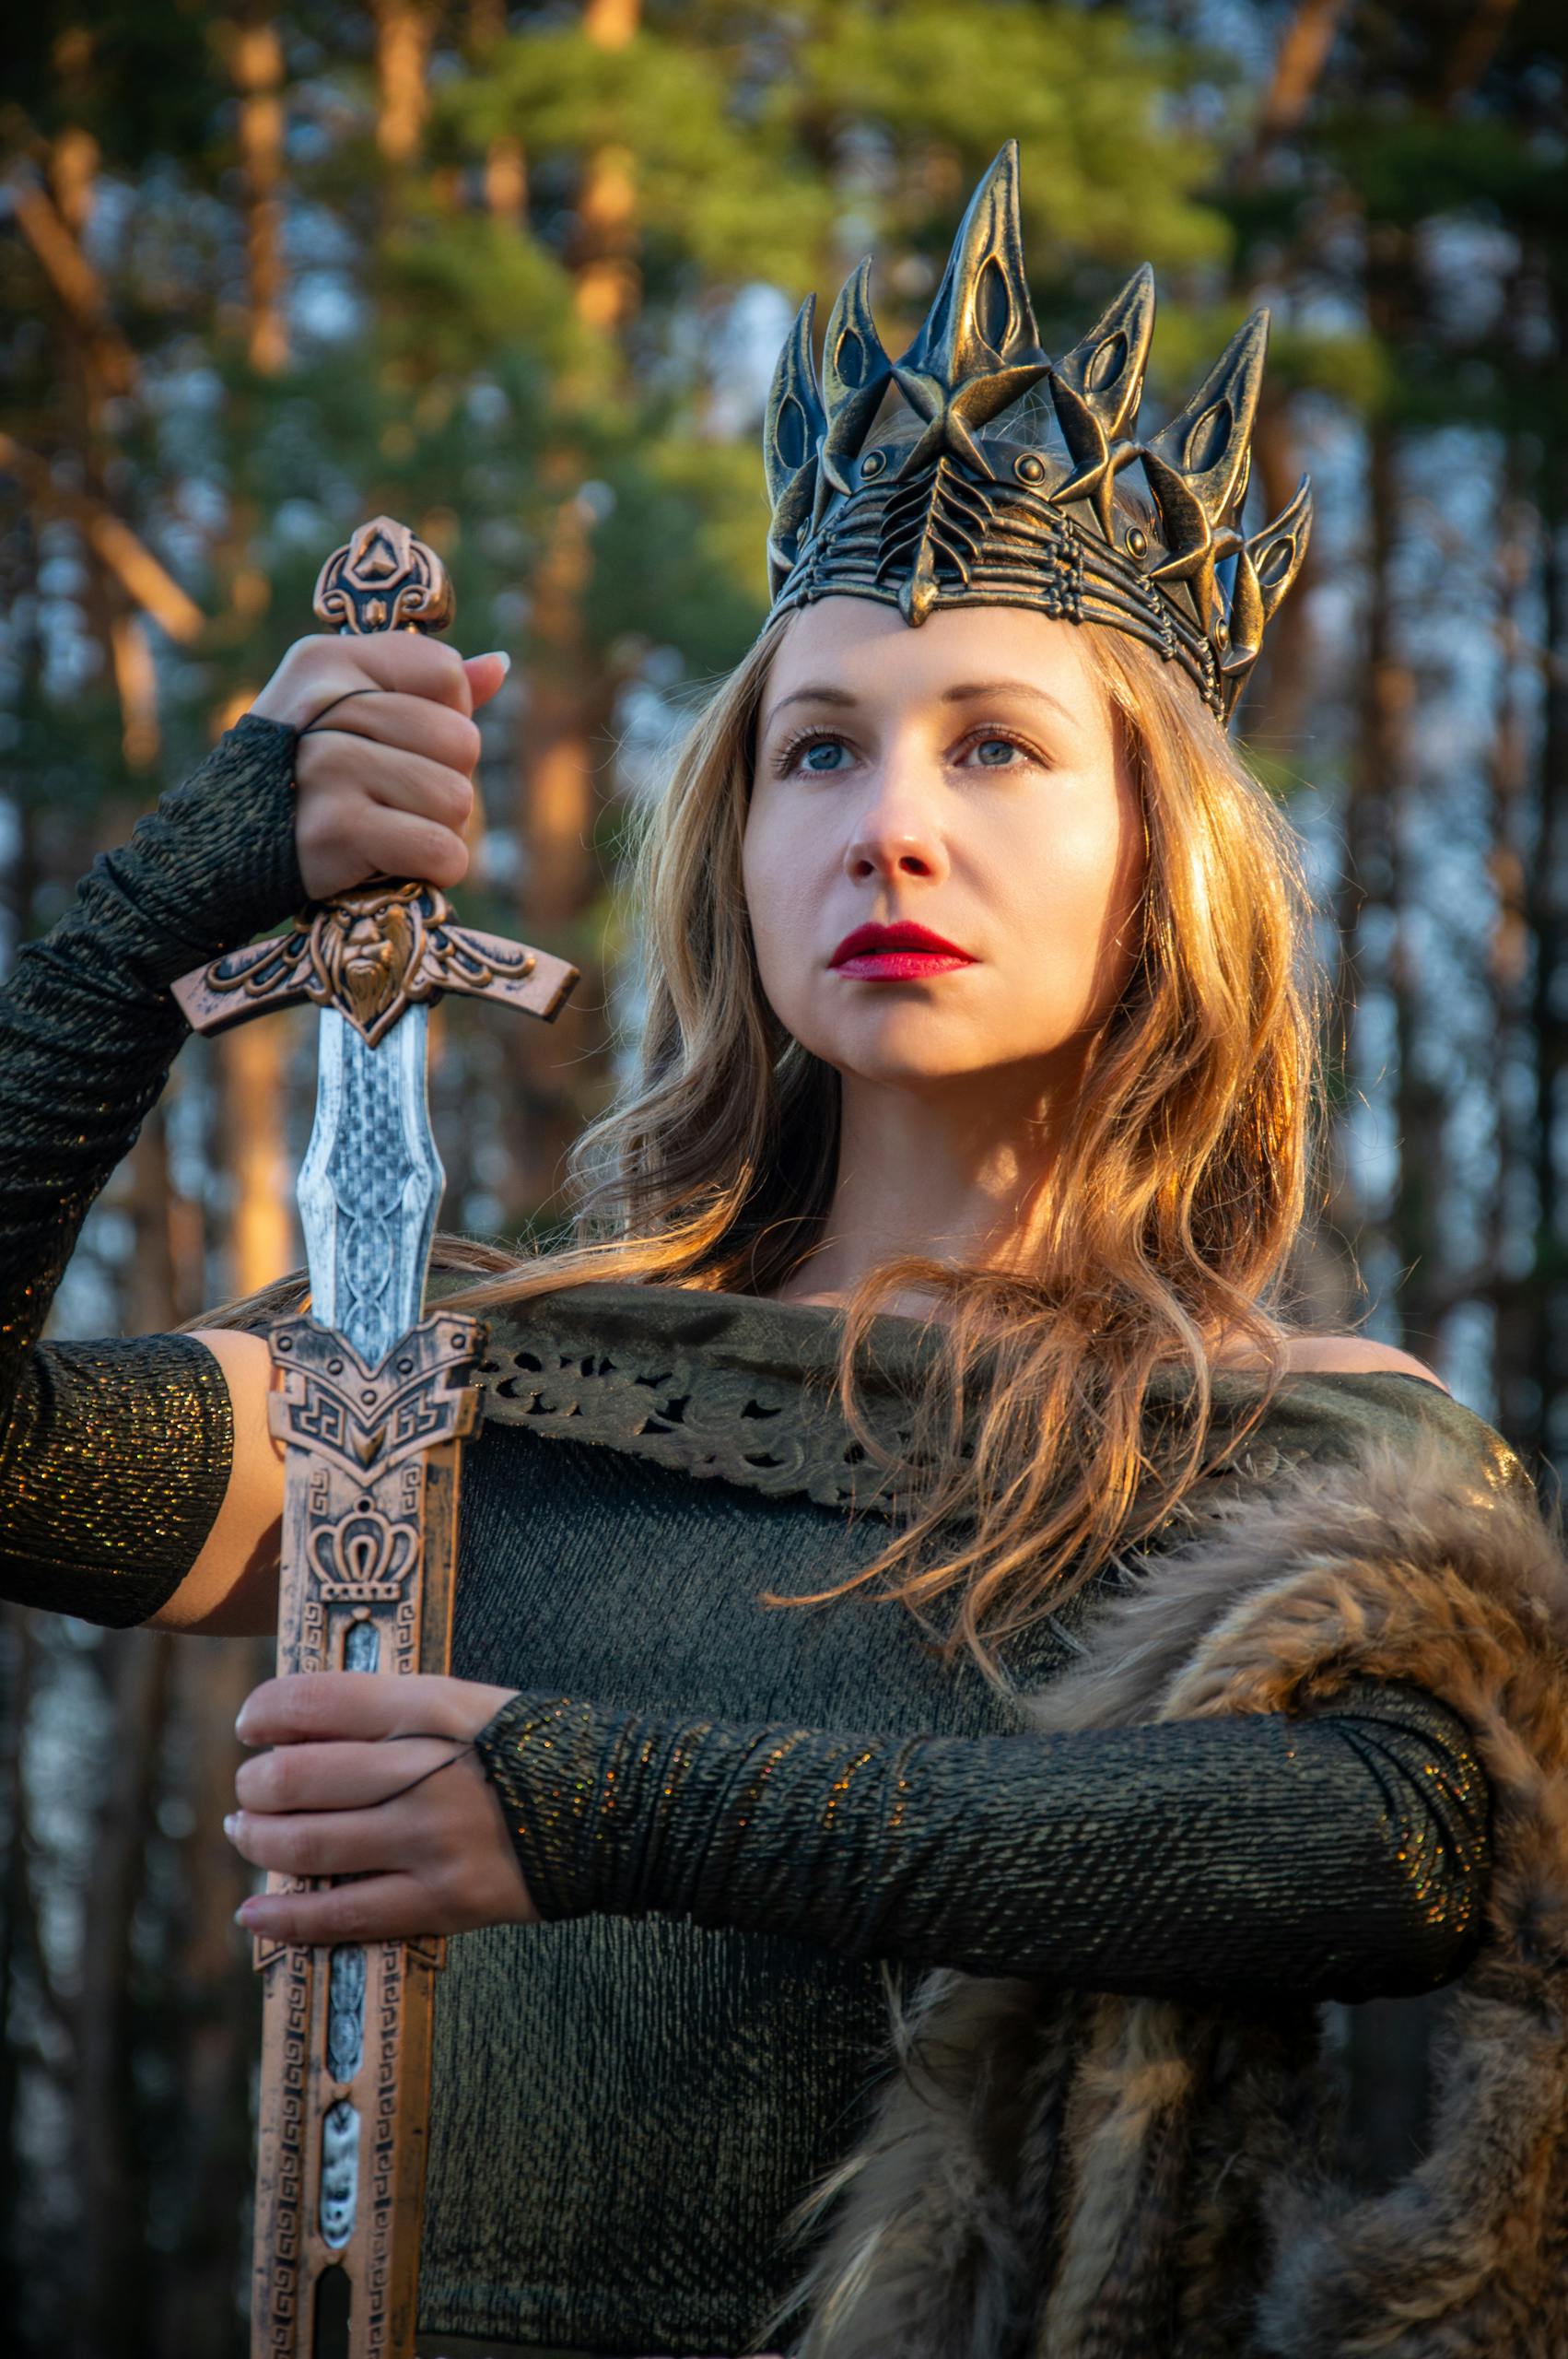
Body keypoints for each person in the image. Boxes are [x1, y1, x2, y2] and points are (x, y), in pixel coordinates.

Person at [5, 143, 1568, 2359]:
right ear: (735, 845)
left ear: (1160, 862)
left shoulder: (1314, 1446)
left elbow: (1387, 1844)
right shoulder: (452, 1386)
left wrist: (591, 1799)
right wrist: (159, 910)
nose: (887, 820)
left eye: (997, 746)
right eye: (813, 750)